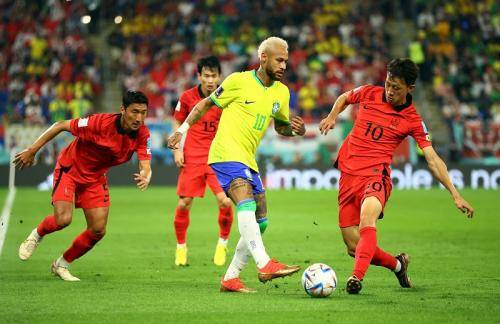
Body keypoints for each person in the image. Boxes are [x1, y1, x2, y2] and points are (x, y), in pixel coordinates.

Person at [319, 58, 474, 294]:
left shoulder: (412, 120)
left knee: (367, 220)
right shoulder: (370, 93)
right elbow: (344, 98)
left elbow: (433, 159)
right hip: (348, 174)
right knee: (354, 247)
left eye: (396, 88)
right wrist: (332, 117)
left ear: (410, 88)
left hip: (375, 176)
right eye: (388, 83)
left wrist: (455, 194)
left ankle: (356, 278)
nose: (390, 91)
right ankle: (398, 264)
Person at [167, 36, 306, 293]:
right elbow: (204, 104)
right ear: (263, 58)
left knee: (261, 221)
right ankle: (264, 263)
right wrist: (182, 131)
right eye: (279, 60)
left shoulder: (282, 92)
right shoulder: (238, 81)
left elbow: (280, 126)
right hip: (225, 153)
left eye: (286, 61)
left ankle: (231, 278)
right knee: (245, 202)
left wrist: (295, 130)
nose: (284, 65)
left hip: (248, 158)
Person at [15, 90, 152, 281]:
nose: (139, 118)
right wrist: (32, 150)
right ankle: (37, 234)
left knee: (98, 230)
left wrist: (146, 175)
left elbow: (145, 164)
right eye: (135, 112)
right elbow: (60, 125)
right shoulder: (98, 123)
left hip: (95, 178)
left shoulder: (142, 133)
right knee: (63, 220)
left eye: (143, 113)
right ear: (123, 110)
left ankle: (61, 265)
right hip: (70, 170)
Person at [172, 56, 233, 267]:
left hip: (218, 158)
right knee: (184, 203)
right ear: (199, 76)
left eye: (214, 75)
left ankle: (222, 243)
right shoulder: (187, 97)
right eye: (206, 75)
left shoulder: (226, 97)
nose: (210, 80)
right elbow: (178, 122)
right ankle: (181, 247)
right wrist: (176, 150)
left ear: (219, 77)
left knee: (225, 201)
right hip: (193, 156)